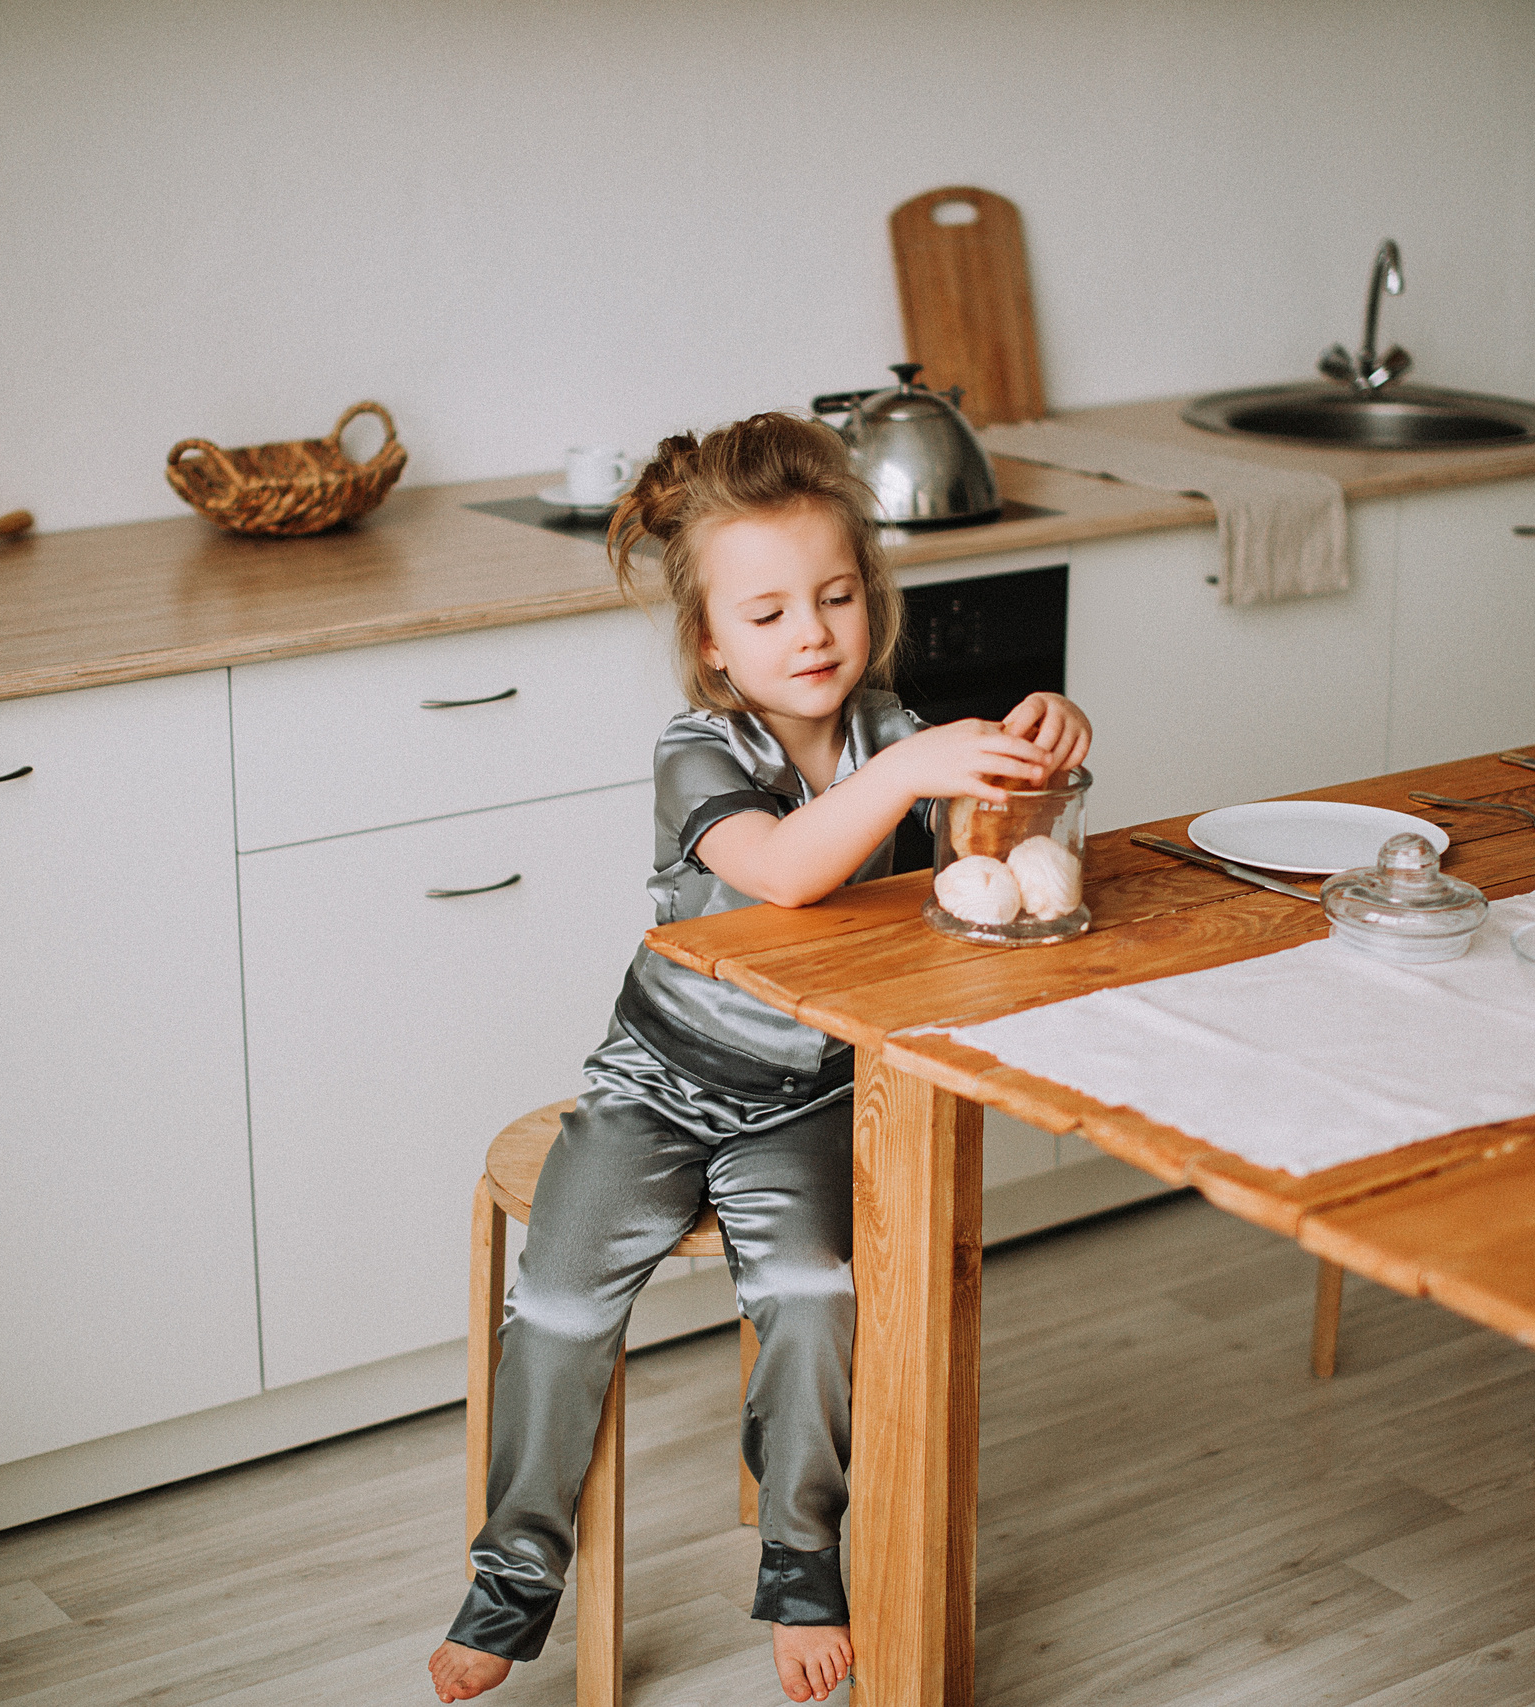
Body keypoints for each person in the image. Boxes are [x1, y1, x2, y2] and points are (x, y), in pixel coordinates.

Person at [429, 413, 1091, 1704]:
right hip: (657, 1089)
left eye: (838, 597)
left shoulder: (884, 728)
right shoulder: (698, 754)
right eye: (773, 611)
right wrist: (911, 766)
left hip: (809, 1101)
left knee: (814, 1295)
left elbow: (974, 842)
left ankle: (801, 1562)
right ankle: (513, 1573)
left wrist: (1037, 741)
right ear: (712, 643)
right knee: (560, 1303)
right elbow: (787, 871)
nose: (814, 635)